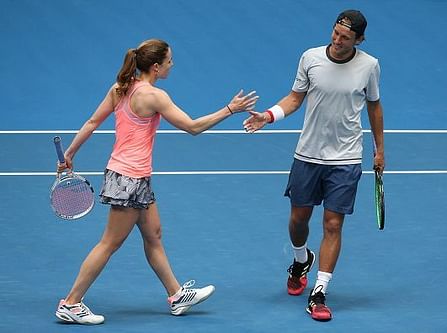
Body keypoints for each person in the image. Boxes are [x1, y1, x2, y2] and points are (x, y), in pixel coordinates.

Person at [54, 39, 258, 325]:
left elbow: (91, 123)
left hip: (131, 177)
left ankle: (176, 296)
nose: (172, 65)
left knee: (154, 236)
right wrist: (229, 109)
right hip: (129, 179)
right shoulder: (154, 96)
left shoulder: (119, 89)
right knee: (109, 244)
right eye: (169, 61)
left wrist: (70, 153)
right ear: (156, 66)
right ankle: (71, 303)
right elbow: (193, 127)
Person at [243, 10, 384, 321]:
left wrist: (379, 149)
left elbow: (374, 105)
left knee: (333, 225)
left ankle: (319, 291)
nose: (337, 40)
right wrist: (268, 116)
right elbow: (295, 98)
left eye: (345, 37)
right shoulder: (310, 57)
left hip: (346, 158)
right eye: (335, 33)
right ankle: (300, 258)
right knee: (298, 221)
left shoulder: (369, 66)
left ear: (358, 40)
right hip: (308, 155)